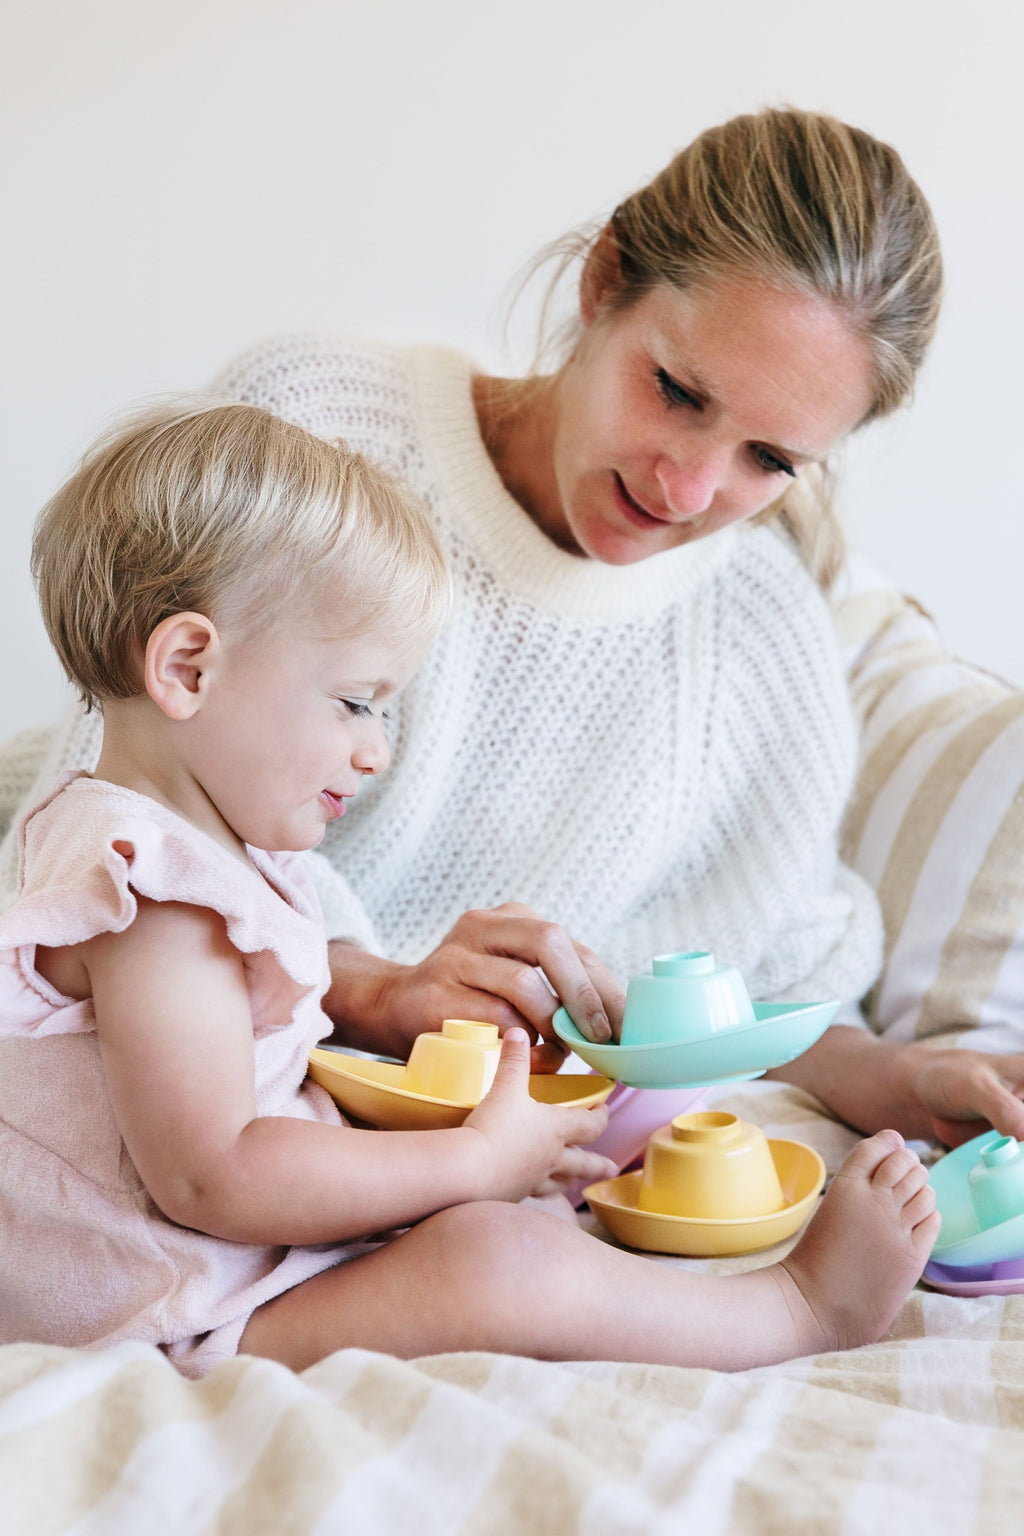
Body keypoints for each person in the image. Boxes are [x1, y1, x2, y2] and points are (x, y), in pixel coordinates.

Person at [2, 106, 1022, 1155]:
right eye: (675, 391)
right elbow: (124, 819)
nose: (687, 486)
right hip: (200, 1064)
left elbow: (757, 978)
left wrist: (900, 1077)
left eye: (769, 459)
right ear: (602, 281)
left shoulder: (764, 629)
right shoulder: (324, 430)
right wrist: (382, 988)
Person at [0, 397, 937, 1376]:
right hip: (173, 1307)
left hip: (215, 1263)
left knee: (493, 1213)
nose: (375, 753)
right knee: (499, 1261)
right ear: (188, 666)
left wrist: (460, 1143)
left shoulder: (187, 850)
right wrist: (474, 1159)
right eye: (357, 702)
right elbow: (210, 1171)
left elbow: (243, 1090)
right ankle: (795, 1311)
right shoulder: (159, 893)